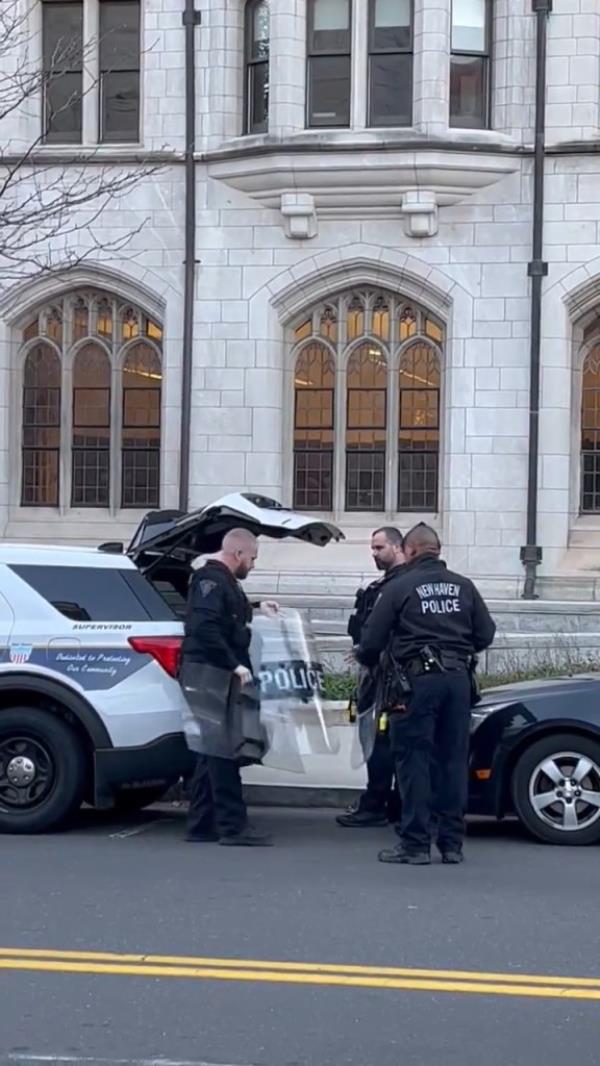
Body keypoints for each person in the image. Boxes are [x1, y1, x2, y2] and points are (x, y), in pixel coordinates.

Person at [357, 523, 496, 866]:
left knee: (413, 761)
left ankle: (415, 844)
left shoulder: (400, 586)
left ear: (411, 551)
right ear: (438, 548)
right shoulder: (464, 587)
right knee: (451, 761)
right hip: (457, 681)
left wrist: (369, 659)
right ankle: (451, 845)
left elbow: (372, 640)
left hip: (415, 684)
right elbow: (486, 633)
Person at [182, 528, 278, 847]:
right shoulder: (210, 579)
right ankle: (233, 826)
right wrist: (233, 665)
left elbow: (225, 612)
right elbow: (205, 627)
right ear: (238, 554)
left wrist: (257, 604)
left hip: (212, 673)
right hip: (212, 674)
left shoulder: (221, 581)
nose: (252, 565)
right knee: (223, 750)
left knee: (209, 751)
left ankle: (201, 824)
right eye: (252, 559)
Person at [336, 527, 405, 829]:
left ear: (397, 547)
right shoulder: (384, 585)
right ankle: (385, 802)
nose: (374, 554)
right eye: (372, 548)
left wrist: (369, 654)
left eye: (379, 548)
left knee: (382, 742)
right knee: (378, 741)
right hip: (377, 673)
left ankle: (378, 803)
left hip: (389, 677)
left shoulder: (400, 585)